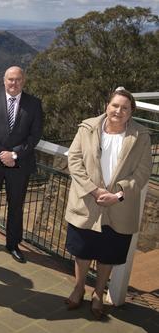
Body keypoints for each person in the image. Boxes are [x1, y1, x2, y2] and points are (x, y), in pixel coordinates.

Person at [63, 87, 151, 319]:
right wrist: (93, 190)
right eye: (115, 106)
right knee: (82, 251)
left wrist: (119, 194)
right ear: (107, 106)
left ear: (131, 112)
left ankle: (98, 293)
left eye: (125, 108)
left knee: (108, 254)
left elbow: (143, 173)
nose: (118, 111)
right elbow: (74, 159)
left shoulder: (141, 136)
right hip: (87, 202)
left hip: (119, 206)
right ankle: (79, 287)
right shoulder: (87, 127)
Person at [0, 66, 43, 263]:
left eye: (18, 79)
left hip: (19, 165)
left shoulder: (34, 104)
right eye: (10, 79)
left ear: (24, 81)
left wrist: (15, 154)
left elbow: (35, 135)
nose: (14, 83)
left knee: (16, 206)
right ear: (4, 80)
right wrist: (2, 154)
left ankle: (13, 244)